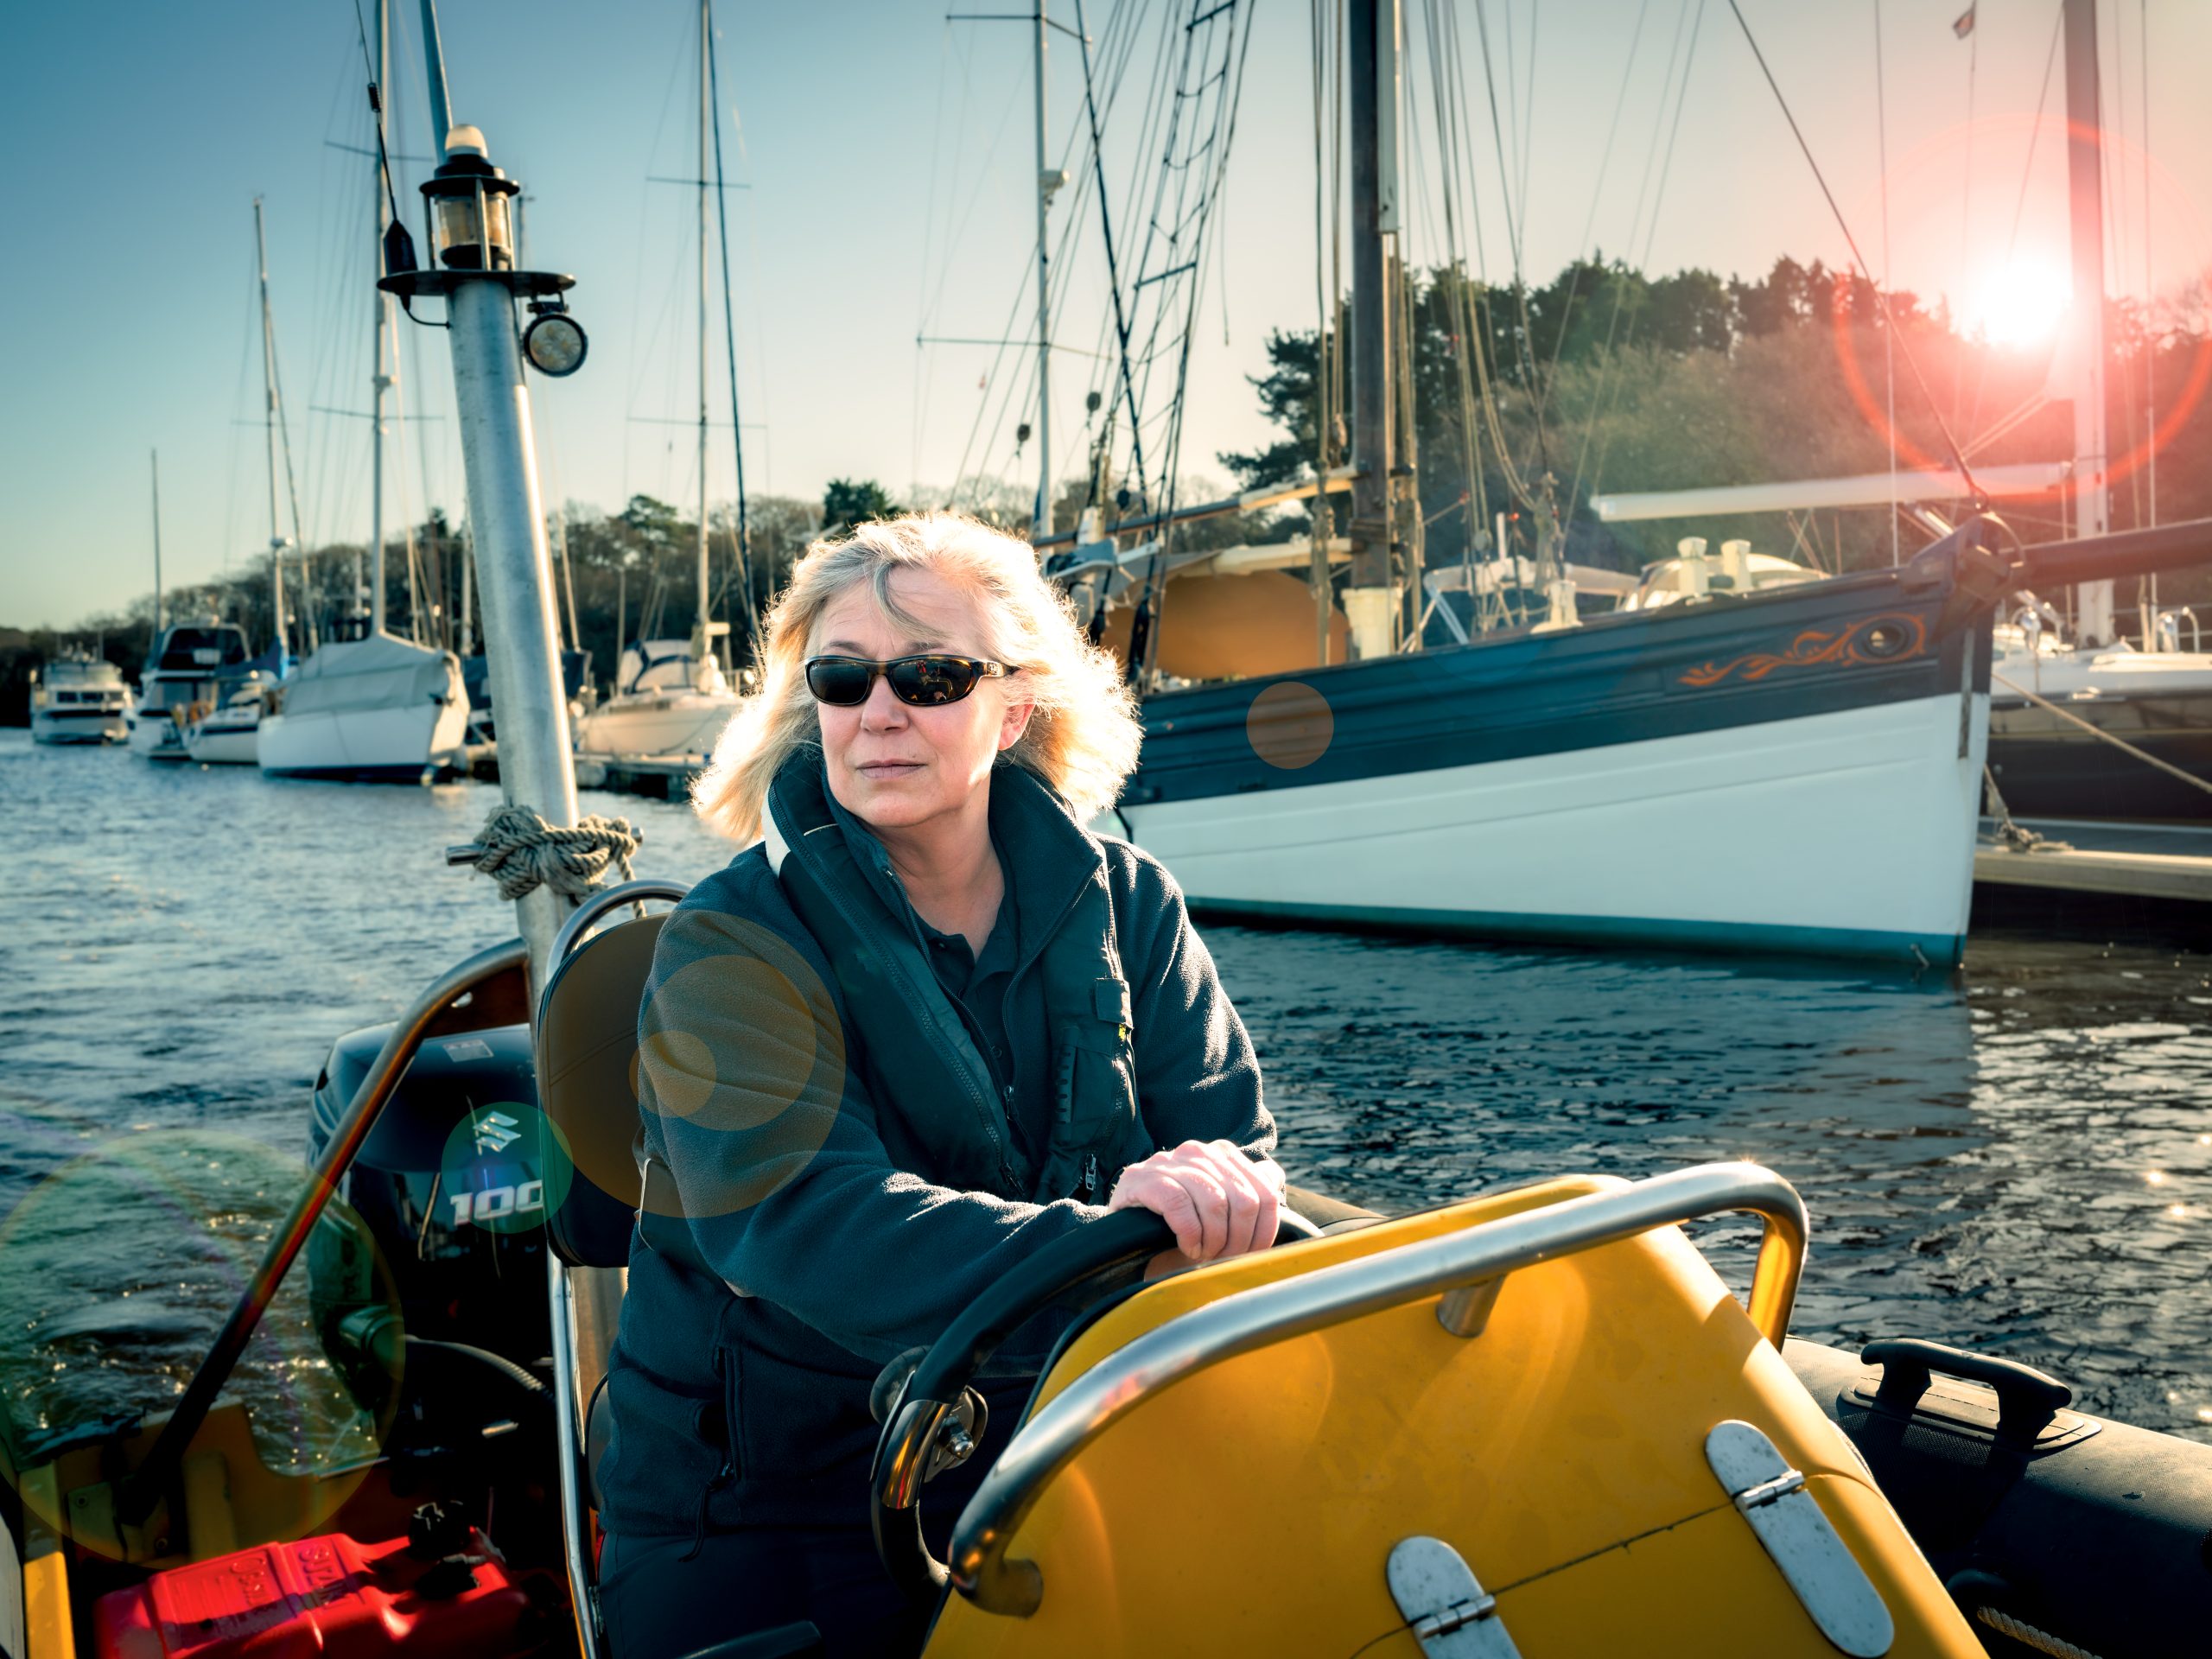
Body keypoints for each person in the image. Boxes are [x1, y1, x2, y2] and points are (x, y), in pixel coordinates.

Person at [594, 512, 1288, 1656]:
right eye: (843, 678)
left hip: (1062, 1435)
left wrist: (1213, 1200)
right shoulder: (727, 943)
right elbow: (805, 1222)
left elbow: (1234, 1149)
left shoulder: (1133, 904)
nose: (879, 712)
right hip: (772, 1502)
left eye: (929, 677)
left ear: (1013, 709)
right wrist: (1121, 1252)